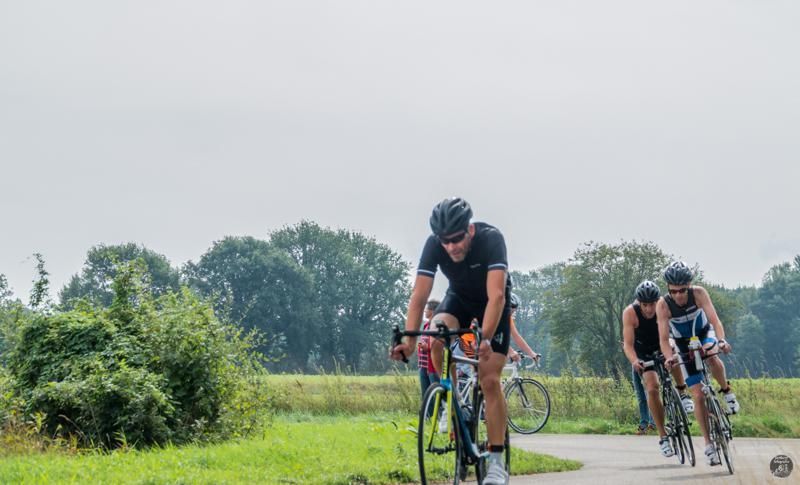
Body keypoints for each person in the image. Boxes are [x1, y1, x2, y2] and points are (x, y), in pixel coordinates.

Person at [390, 197, 512, 485]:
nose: (452, 246)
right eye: (446, 241)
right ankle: (451, 400)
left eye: (457, 239)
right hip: (458, 299)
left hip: (491, 304)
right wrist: (408, 339)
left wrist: (485, 336)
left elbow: (496, 296)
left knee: (489, 379)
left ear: (469, 230)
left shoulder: (491, 239)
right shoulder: (434, 245)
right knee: (435, 338)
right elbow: (419, 296)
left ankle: (496, 460)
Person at [657, 261, 740, 467]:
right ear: (668, 288)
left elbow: (715, 320)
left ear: (689, 285)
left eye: (682, 290)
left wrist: (721, 340)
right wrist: (669, 357)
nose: (678, 295)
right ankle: (708, 444)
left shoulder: (699, 294)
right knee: (698, 395)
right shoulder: (663, 305)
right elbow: (663, 338)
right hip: (683, 344)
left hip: (704, 334)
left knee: (712, 356)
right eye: (673, 291)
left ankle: (727, 391)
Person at [623, 281, 678, 456]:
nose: (649, 309)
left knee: (675, 358)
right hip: (643, 352)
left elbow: (674, 331)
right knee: (652, 388)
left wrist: (673, 347)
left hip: (662, 345)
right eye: (645, 305)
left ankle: (682, 395)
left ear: (658, 301)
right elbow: (628, 345)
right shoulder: (630, 312)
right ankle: (663, 436)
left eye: (652, 304)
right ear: (639, 302)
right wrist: (634, 361)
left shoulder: (664, 306)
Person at [506, 292, 541, 363]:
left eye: (513, 312)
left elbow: (516, 336)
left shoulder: (507, 318)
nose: (511, 314)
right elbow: (490, 337)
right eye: (510, 311)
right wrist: (510, 351)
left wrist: (532, 354)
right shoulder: (491, 315)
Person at [417, 299, 441, 400]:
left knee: (435, 394)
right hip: (423, 365)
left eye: (426, 309)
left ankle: (439, 414)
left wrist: (427, 348)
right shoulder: (426, 325)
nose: (425, 311)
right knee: (426, 394)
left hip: (432, 366)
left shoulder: (437, 326)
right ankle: (428, 415)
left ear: (432, 311)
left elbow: (438, 346)